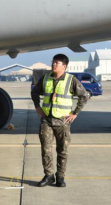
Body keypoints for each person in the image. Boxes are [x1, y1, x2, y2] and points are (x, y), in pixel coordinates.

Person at [31, 54, 90, 188]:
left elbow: (84, 96)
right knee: (46, 150)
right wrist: (37, 106)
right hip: (46, 120)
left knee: (62, 151)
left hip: (63, 122)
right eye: (53, 62)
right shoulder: (45, 78)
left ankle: (60, 176)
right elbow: (34, 92)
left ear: (64, 66)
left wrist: (75, 113)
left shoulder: (71, 80)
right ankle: (48, 175)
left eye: (57, 63)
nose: (53, 65)